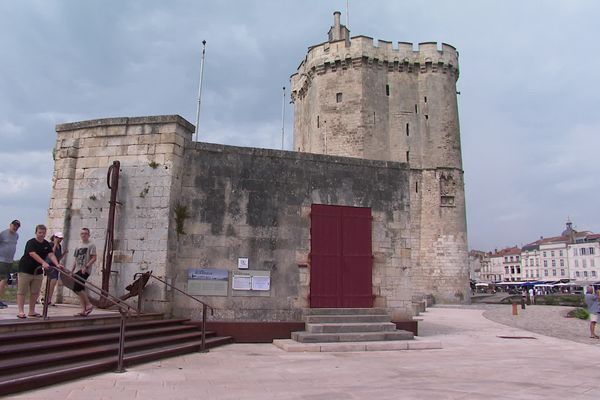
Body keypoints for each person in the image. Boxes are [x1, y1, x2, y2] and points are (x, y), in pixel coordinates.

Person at [17, 224, 62, 318]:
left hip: (37, 272)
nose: (41, 234)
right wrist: (43, 263)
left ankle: (31, 311)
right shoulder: (31, 242)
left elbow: (51, 255)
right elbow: (32, 254)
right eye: (39, 232)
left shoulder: (46, 244)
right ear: (36, 233)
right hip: (26, 269)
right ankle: (20, 311)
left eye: (43, 233)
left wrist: (57, 264)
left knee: (35, 292)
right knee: (22, 291)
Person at [71, 228, 96, 316]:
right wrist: (72, 270)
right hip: (78, 269)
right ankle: (83, 309)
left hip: (84, 270)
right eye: (82, 233)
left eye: (85, 233)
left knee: (76, 288)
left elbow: (94, 257)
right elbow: (75, 259)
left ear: (88, 235)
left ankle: (88, 305)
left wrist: (87, 266)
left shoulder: (91, 245)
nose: (84, 235)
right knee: (80, 289)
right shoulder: (78, 245)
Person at [0, 220, 21, 308]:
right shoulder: (3, 234)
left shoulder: (16, 236)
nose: (15, 227)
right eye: (14, 225)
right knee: (3, 279)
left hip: (9, 261)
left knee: (4, 281)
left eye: (17, 226)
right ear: (10, 225)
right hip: (1, 260)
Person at [42, 232, 66, 306]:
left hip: (56, 265)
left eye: (61, 238)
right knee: (52, 281)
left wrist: (64, 253)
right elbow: (51, 253)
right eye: (59, 238)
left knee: (53, 282)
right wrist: (55, 244)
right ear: (55, 237)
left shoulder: (60, 246)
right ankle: (46, 298)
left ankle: (48, 299)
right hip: (50, 265)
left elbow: (58, 257)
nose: (60, 239)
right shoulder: (51, 244)